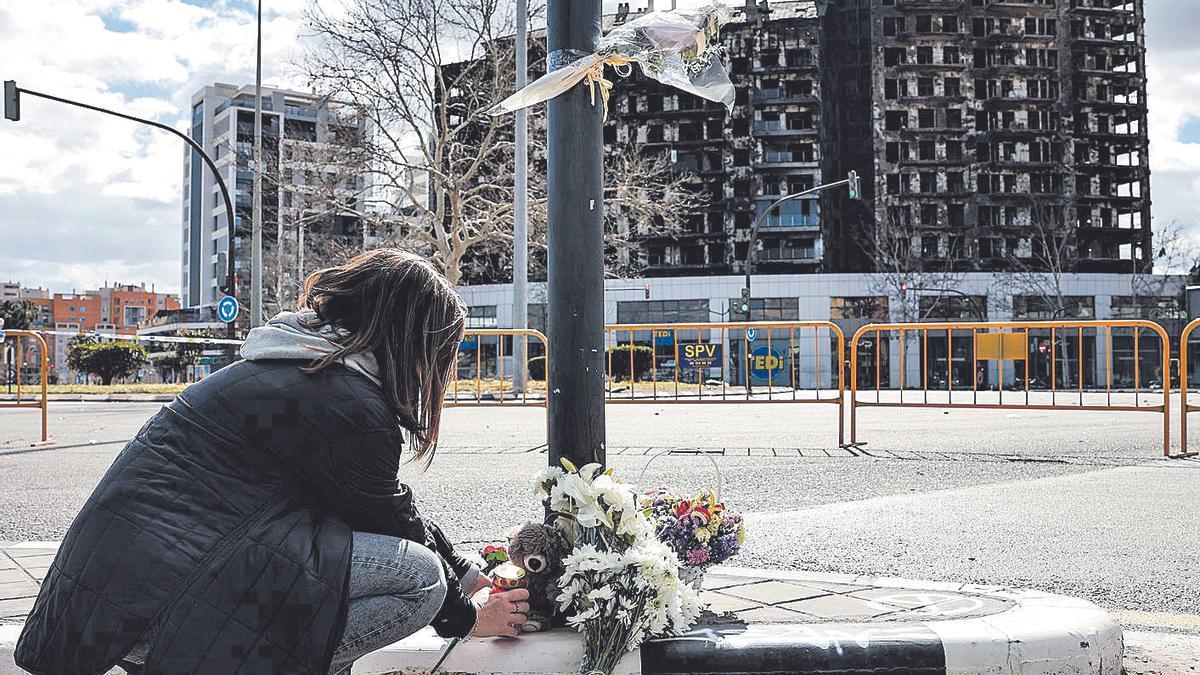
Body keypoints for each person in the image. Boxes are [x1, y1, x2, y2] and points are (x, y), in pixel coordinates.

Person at [15, 250, 530, 675]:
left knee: (362, 561)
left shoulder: (294, 363)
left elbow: (385, 504)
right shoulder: (346, 402)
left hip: (117, 602)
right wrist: (467, 617)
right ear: (410, 339)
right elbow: (392, 523)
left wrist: (466, 572)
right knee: (418, 578)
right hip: (164, 612)